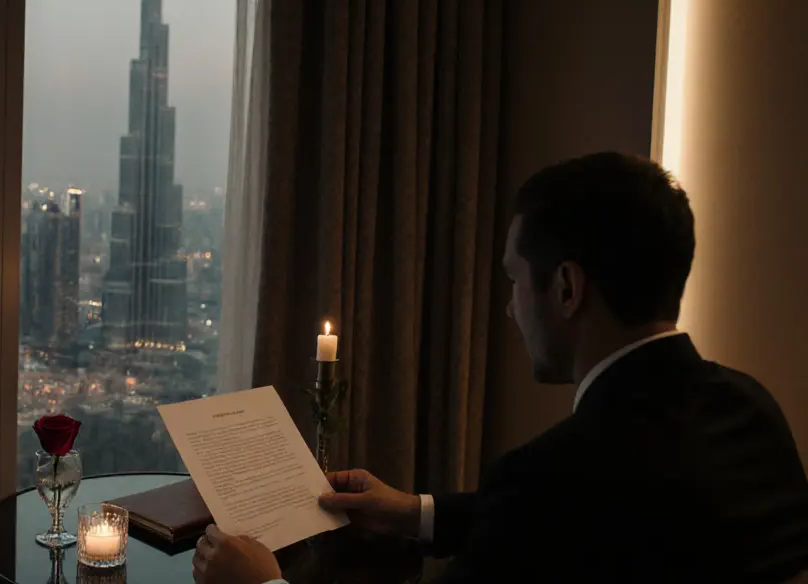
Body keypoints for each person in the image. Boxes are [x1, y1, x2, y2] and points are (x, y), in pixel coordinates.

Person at [193, 152, 808, 584]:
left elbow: (548, 514)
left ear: (567, 288)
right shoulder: (752, 410)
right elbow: (582, 527)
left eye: (515, 280)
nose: (510, 309)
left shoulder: (551, 478)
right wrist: (413, 512)